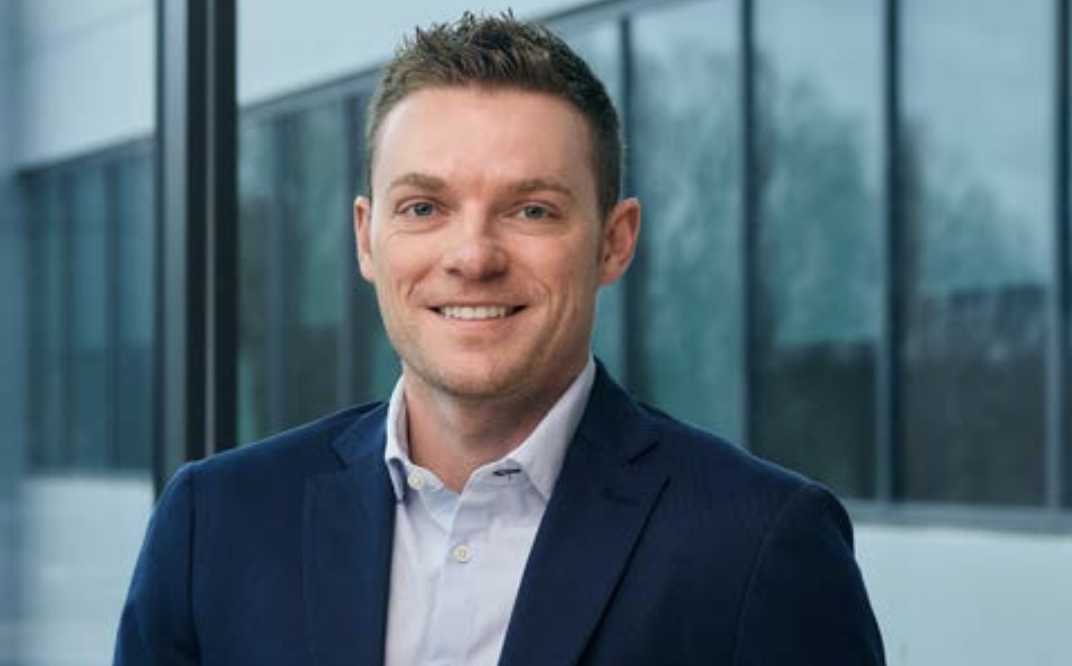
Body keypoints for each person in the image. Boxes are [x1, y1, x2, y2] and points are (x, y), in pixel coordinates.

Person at [114, 12, 885, 666]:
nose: (473, 256)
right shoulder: (215, 524)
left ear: (615, 242)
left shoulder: (759, 543)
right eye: (423, 208)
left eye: (532, 210)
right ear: (366, 237)